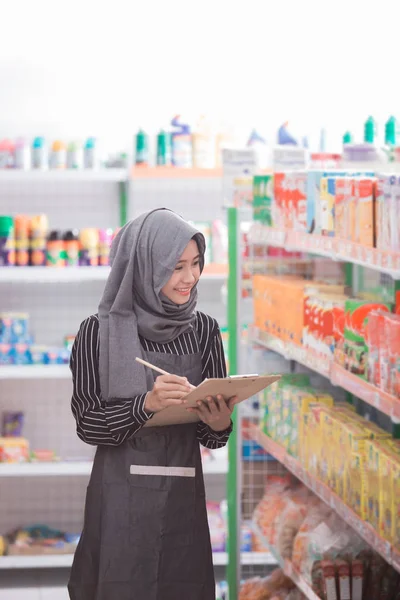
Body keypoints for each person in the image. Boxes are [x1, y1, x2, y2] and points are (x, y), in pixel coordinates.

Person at [68, 208, 237, 600]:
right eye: (176, 267)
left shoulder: (205, 330)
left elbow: (212, 440)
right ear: (145, 266)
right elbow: (88, 423)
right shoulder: (99, 332)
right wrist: (145, 404)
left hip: (182, 498)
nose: (190, 278)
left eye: (196, 264)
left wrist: (218, 423)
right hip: (119, 501)